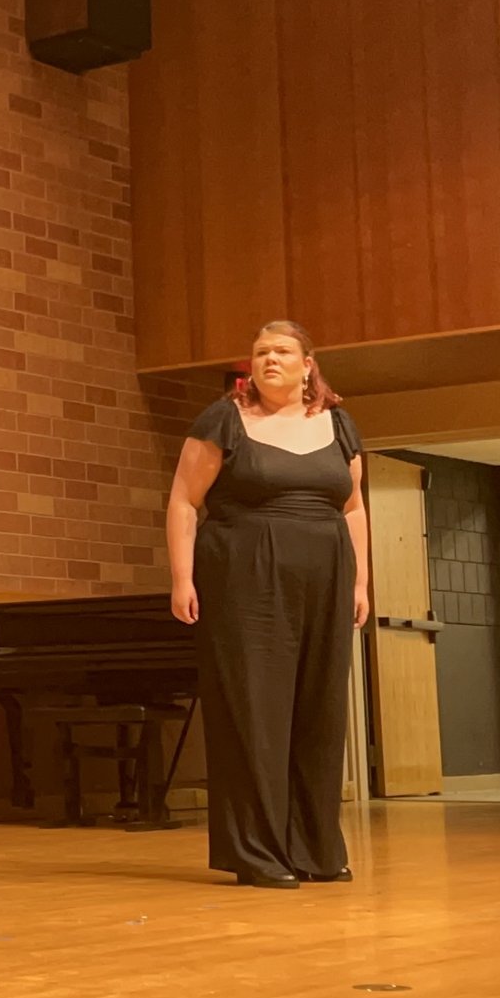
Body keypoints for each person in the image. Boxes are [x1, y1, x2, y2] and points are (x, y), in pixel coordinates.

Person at [164, 321, 369, 890]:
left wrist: (360, 583)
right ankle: (257, 851)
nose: (268, 360)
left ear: (309, 365)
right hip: (245, 577)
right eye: (259, 353)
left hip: (326, 576)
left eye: (281, 351)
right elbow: (184, 499)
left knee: (319, 710)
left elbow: (352, 508)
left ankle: (315, 846)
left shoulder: (339, 425)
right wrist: (182, 577)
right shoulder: (224, 419)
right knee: (256, 709)